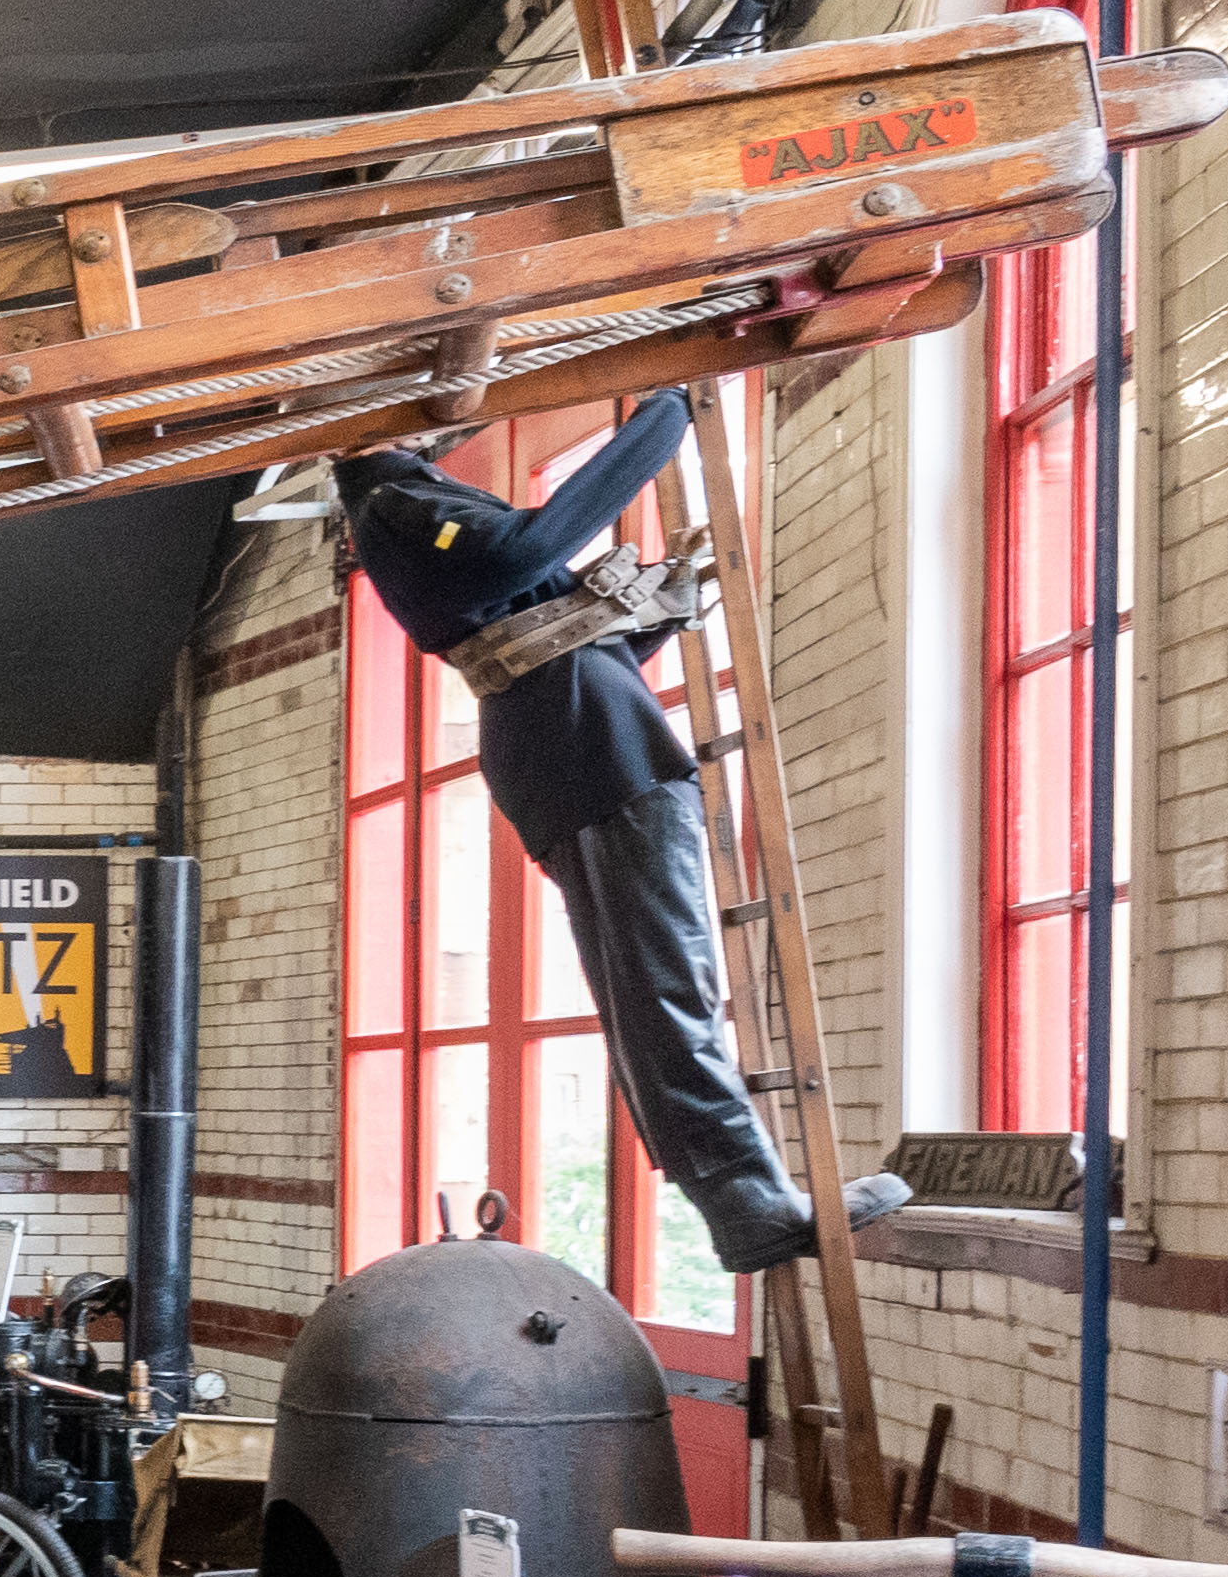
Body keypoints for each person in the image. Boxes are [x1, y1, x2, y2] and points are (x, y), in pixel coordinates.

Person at [332, 392, 902, 1277]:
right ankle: (746, 1202)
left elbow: (529, 630)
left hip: (570, 740)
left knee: (650, 989)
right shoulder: (396, 505)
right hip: (595, 750)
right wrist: (661, 422)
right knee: (667, 985)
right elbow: (525, 547)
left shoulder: (398, 510)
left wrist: (647, 617)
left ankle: (735, 1197)